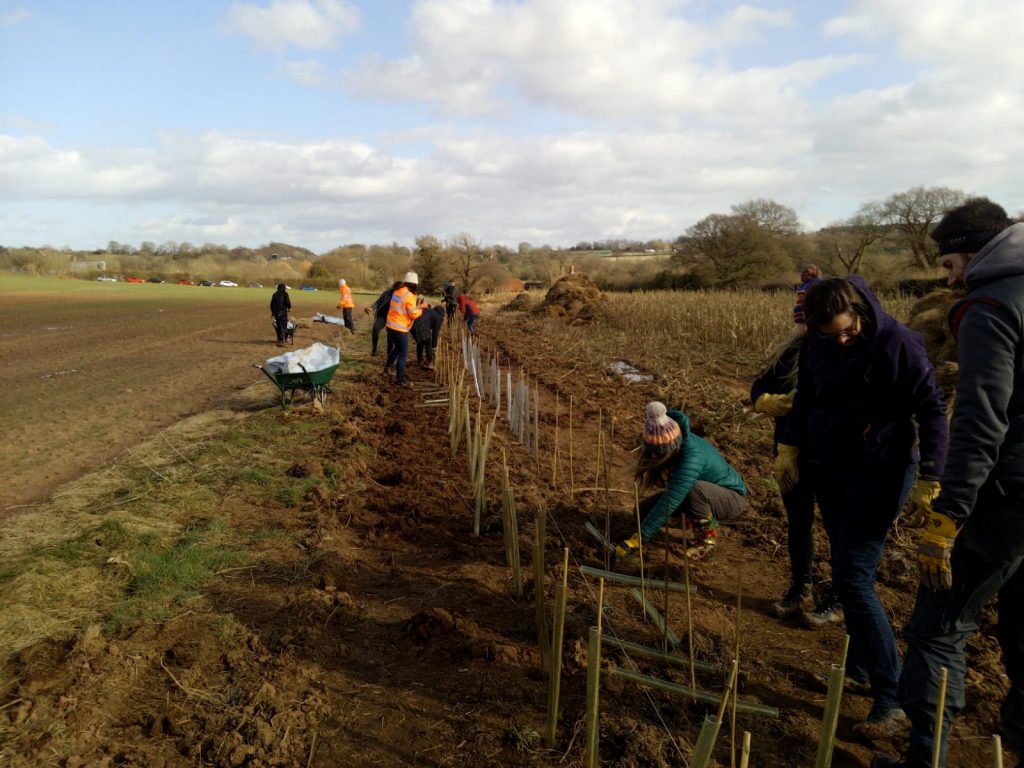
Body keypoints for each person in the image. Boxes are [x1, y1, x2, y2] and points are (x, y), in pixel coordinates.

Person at [873, 199, 1024, 768]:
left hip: (1008, 493)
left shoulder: (990, 305)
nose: (948, 276)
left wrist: (948, 514)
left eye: (950, 263)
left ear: (970, 252)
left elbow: (983, 417)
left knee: (940, 626)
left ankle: (924, 759)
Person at [777, 276, 948, 739]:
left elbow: (931, 409)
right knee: (846, 570)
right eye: (830, 334)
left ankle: (890, 700)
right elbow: (807, 397)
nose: (841, 340)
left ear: (860, 310)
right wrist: (789, 446)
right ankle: (859, 670)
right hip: (834, 466)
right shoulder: (816, 343)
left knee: (853, 576)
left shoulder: (899, 343)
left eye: (847, 331)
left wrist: (932, 476)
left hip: (884, 469)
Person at [615, 402, 747, 561]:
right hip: (696, 497)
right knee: (641, 514)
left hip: (731, 499)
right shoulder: (668, 441)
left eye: (660, 453)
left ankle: (706, 541)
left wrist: (639, 539)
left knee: (695, 490)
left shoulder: (692, 457)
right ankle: (691, 520)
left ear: (672, 447)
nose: (655, 457)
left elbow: (671, 499)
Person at [384, 272, 423, 386]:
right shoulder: (410, 296)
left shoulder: (397, 292)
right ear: (414, 284)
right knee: (403, 353)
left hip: (390, 326)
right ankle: (400, 379)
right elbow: (413, 314)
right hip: (400, 328)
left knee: (397, 348)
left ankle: (387, 367)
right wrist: (421, 309)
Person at [366, 281, 400, 357]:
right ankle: (374, 348)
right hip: (383, 316)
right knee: (375, 329)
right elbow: (378, 302)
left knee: (390, 336)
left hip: (393, 318)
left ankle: (389, 352)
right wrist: (371, 308)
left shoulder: (400, 296)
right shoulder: (387, 293)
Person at [413, 303, 445, 370]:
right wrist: (434, 347)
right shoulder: (439, 317)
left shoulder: (431, 312)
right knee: (428, 342)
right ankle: (430, 362)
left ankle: (419, 362)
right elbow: (435, 333)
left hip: (413, 324)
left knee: (420, 342)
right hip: (422, 325)